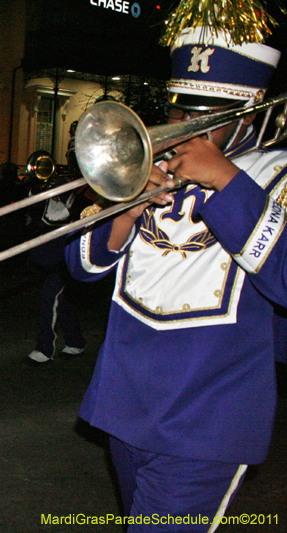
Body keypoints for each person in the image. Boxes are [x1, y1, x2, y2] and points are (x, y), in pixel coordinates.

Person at [65, 26, 287, 528]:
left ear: (246, 112)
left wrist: (227, 179)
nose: (184, 126)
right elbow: (78, 267)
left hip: (209, 418)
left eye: (204, 116)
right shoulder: (144, 167)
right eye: (179, 111)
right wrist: (123, 210)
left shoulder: (277, 175)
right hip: (124, 403)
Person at [26, 170, 88, 364]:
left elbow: (78, 214)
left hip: (69, 258)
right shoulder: (52, 193)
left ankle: (44, 349)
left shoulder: (83, 195)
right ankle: (75, 342)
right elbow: (35, 209)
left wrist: (65, 191)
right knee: (63, 302)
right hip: (54, 258)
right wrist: (38, 186)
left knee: (49, 296)